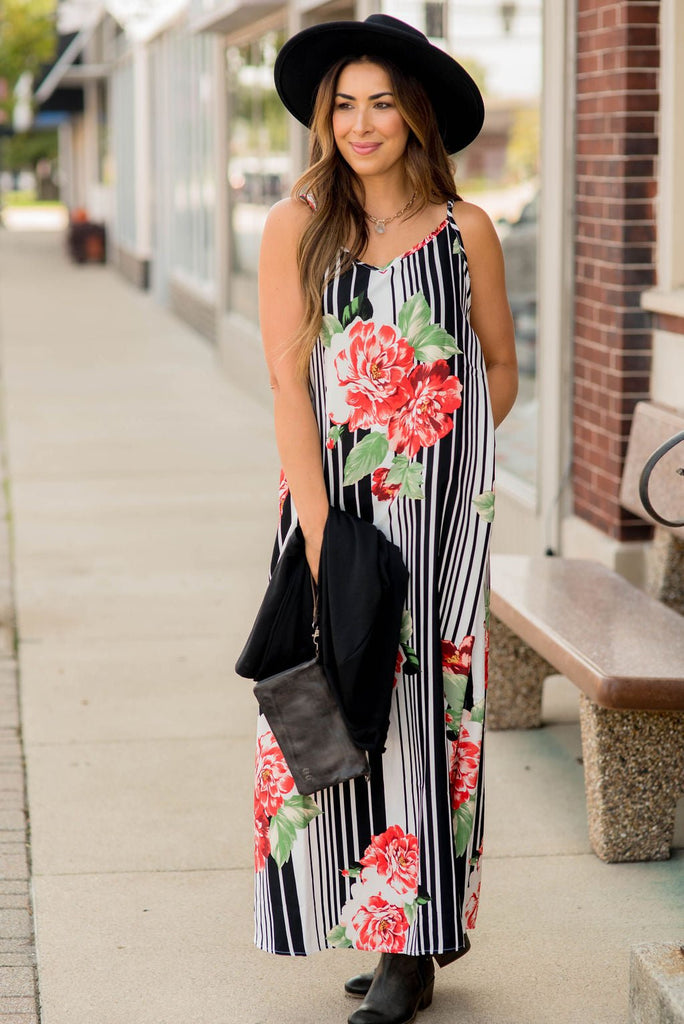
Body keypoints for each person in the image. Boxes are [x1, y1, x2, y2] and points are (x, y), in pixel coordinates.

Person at [254, 14, 518, 1024]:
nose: (361, 124)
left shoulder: (468, 233)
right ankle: (376, 912)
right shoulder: (299, 225)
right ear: (327, 119)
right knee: (338, 717)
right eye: (343, 106)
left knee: (428, 719)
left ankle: (413, 946)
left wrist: (449, 452)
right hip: (334, 511)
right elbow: (286, 384)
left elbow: (500, 368)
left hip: (442, 520)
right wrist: (319, 531)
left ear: (415, 118)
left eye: (381, 104)